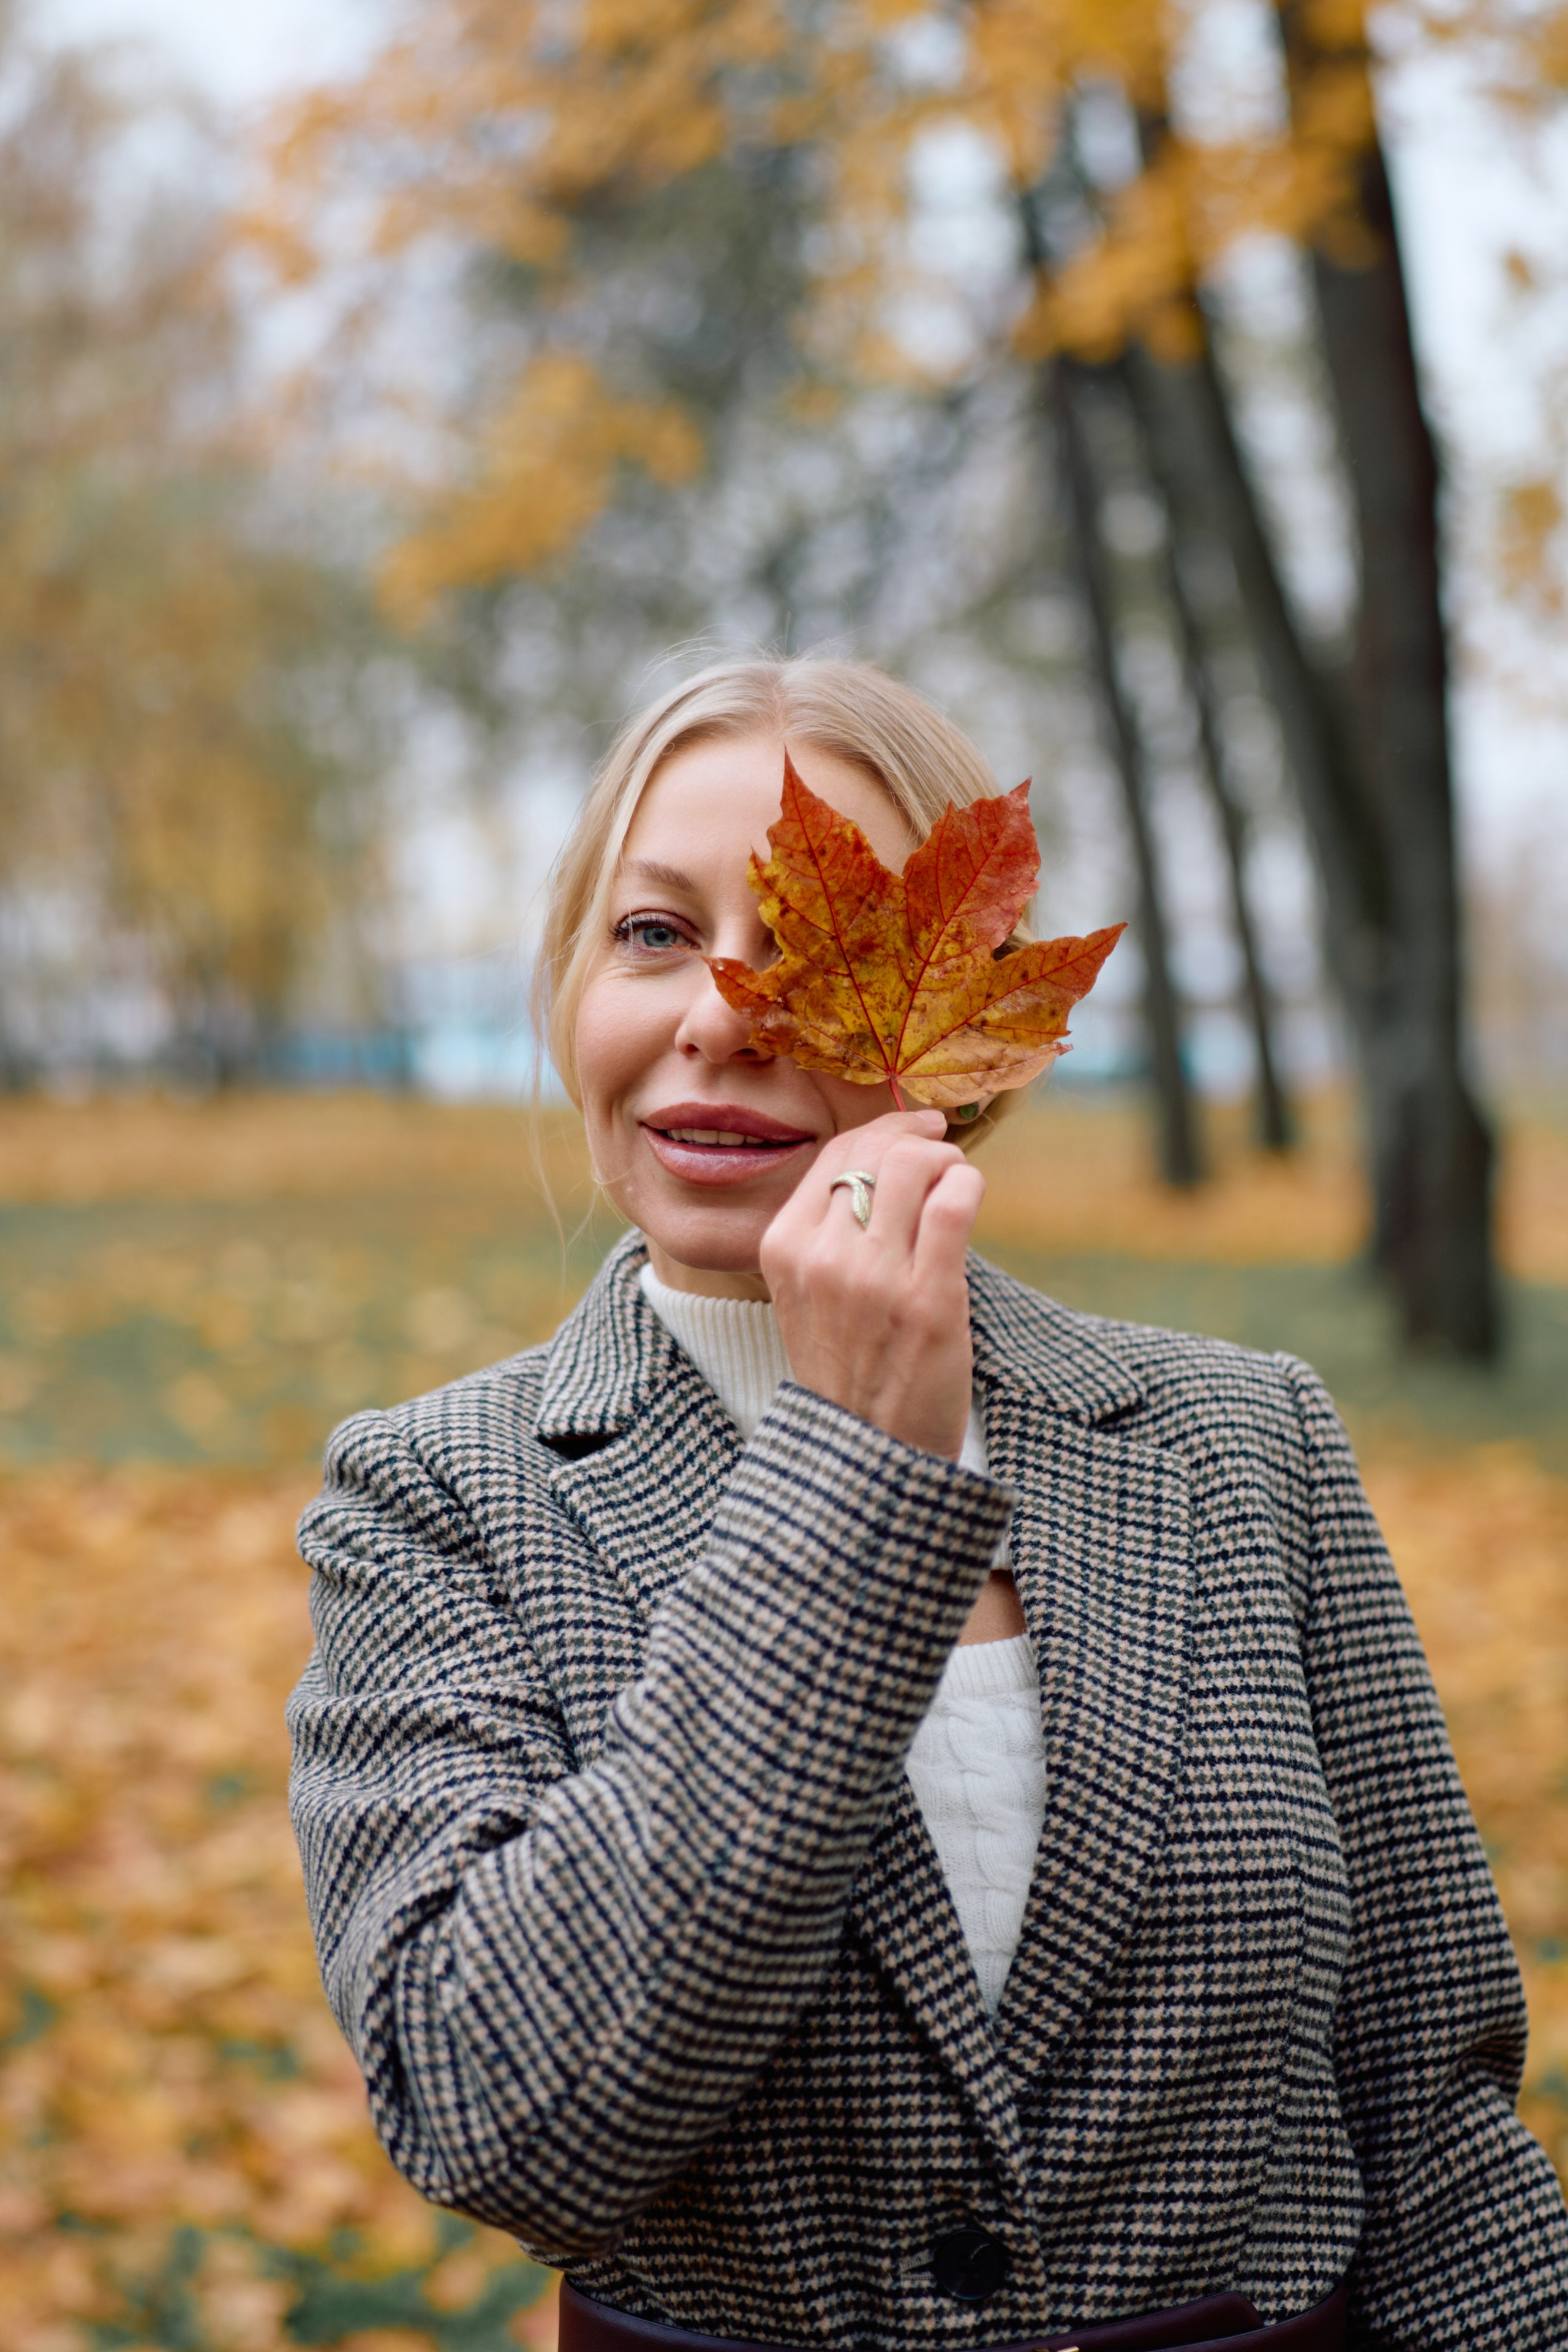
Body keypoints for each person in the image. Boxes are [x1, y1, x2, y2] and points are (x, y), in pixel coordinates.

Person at [288, 655, 1568, 2352]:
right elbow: (497, 2111)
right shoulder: (434, 1496)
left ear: (971, 1023)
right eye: (654, 934)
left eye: (822, 956)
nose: (722, 1017)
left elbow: (1437, 2117)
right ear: (567, 991)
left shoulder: (1244, 1441)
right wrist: (851, 1477)